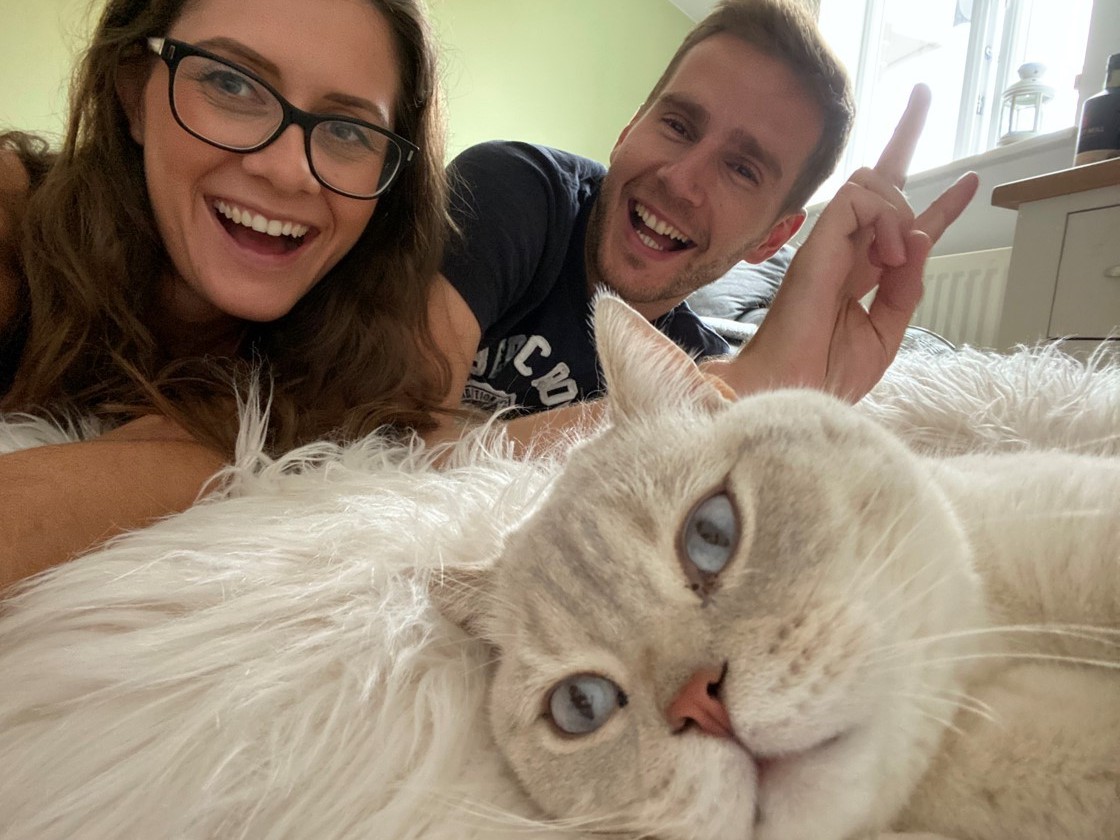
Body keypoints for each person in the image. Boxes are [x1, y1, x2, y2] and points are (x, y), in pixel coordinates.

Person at [0, 0, 450, 588]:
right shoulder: (13, 216)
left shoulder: (362, 359)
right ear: (135, 94)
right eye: (232, 83)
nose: (289, 172)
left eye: (346, 130)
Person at [426, 0, 979, 448]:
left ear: (773, 239)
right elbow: (391, 454)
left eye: (741, 169)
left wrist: (786, 404)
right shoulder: (510, 191)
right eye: (677, 124)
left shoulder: (697, 360)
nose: (681, 180)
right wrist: (716, 399)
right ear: (627, 131)